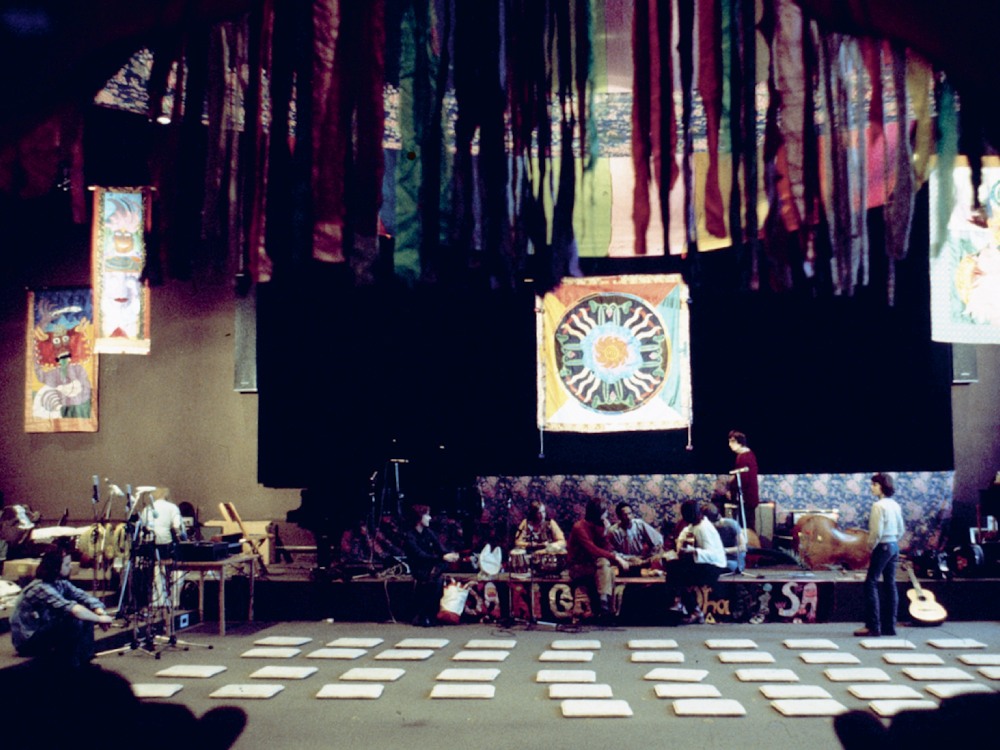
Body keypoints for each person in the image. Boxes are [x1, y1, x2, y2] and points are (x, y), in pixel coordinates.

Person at [9, 544, 114, 667]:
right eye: (66, 564)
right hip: (28, 641)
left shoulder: (60, 583)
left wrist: (100, 612)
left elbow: (85, 597)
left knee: (86, 616)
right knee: (74, 618)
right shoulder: (40, 587)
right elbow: (74, 609)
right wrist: (100, 619)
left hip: (43, 631)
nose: (70, 567)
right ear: (56, 566)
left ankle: (85, 661)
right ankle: (72, 665)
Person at [855, 472, 905, 637]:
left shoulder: (878, 506)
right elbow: (901, 529)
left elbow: (876, 532)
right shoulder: (895, 505)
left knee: (870, 583)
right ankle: (890, 627)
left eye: (874, 484)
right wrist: (893, 541)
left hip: (882, 546)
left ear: (882, 487)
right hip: (893, 546)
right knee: (890, 585)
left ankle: (873, 627)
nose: (872, 487)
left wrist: (870, 546)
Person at [662, 500, 728, 624]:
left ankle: (680, 603)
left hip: (713, 567)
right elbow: (684, 535)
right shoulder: (694, 525)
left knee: (676, 572)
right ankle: (689, 608)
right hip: (702, 564)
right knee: (674, 567)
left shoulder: (704, 528)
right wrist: (681, 546)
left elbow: (713, 555)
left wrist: (694, 551)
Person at [566, 497, 630, 623]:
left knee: (606, 567)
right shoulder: (579, 527)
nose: (607, 514)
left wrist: (605, 532)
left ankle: (604, 605)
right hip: (577, 567)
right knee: (605, 565)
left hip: (594, 565)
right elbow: (592, 549)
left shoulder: (599, 526)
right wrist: (616, 558)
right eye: (605, 512)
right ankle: (606, 608)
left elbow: (607, 548)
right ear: (598, 513)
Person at [402, 504, 459, 627]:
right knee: (435, 581)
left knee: (437, 579)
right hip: (418, 568)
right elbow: (419, 555)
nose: (429, 518)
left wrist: (450, 555)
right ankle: (423, 614)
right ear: (419, 517)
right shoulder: (410, 536)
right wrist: (442, 557)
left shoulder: (428, 532)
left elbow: (440, 549)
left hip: (430, 566)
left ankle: (425, 615)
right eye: (427, 515)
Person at [702, 502, 748, 575]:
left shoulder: (731, 524)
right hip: (717, 559)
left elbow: (743, 547)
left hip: (733, 560)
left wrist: (724, 551)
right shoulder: (708, 528)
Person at [728, 430, 760, 531]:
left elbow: (743, 479)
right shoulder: (744, 455)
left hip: (747, 498)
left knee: (747, 524)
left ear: (739, 442)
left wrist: (732, 488)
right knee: (746, 523)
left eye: (732, 441)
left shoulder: (745, 457)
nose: (730, 445)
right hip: (747, 497)